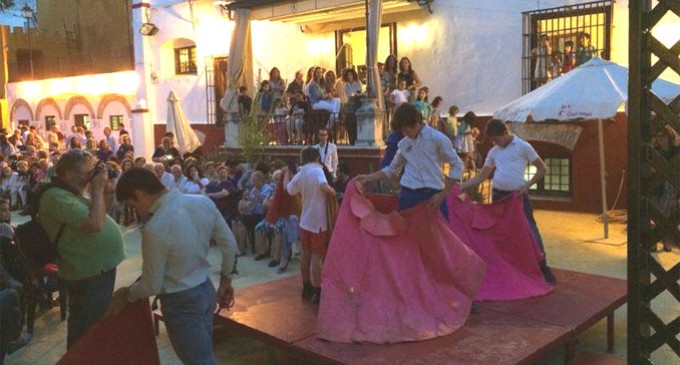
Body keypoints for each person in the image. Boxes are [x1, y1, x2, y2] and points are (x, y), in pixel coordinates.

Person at [110, 168, 238, 365]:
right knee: (203, 357)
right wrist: (226, 279)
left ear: (140, 194)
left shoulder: (155, 227)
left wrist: (128, 294)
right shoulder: (203, 202)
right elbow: (230, 246)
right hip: (205, 290)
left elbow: (152, 285)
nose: (137, 211)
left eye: (134, 205)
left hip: (180, 302)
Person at [37, 149, 125, 348]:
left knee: (90, 323)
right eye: (89, 171)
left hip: (96, 268)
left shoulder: (71, 192)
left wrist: (106, 192)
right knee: (88, 327)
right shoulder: (56, 196)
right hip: (86, 272)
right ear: (68, 173)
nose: (92, 176)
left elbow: (101, 213)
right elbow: (95, 224)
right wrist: (96, 189)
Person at [460, 119, 556, 283]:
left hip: (516, 197)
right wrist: (461, 187)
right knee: (501, 232)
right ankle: (506, 267)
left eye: (496, 139)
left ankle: (543, 266)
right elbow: (483, 176)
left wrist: (527, 186)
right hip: (498, 196)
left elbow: (542, 168)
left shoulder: (523, 146)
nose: (494, 143)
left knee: (530, 230)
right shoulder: (494, 151)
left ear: (505, 133)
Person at [356, 103, 463, 220]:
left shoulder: (437, 139)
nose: (404, 133)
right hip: (409, 196)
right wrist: (367, 178)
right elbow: (392, 170)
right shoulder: (404, 144)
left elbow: (457, 165)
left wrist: (443, 194)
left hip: (434, 195)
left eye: (405, 129)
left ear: (414, 123)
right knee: (406, 236)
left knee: (439, 236)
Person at [285, 147, 336, 303]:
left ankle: (306, 286)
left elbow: (289, 190)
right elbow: (324, 187)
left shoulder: (301, 173)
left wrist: (287, 173)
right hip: (318, 221)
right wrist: (332, 191)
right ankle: (317, 290)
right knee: (317, 256)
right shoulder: (318, 171)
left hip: (305, 221)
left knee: (305, 253)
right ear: (317, 158)